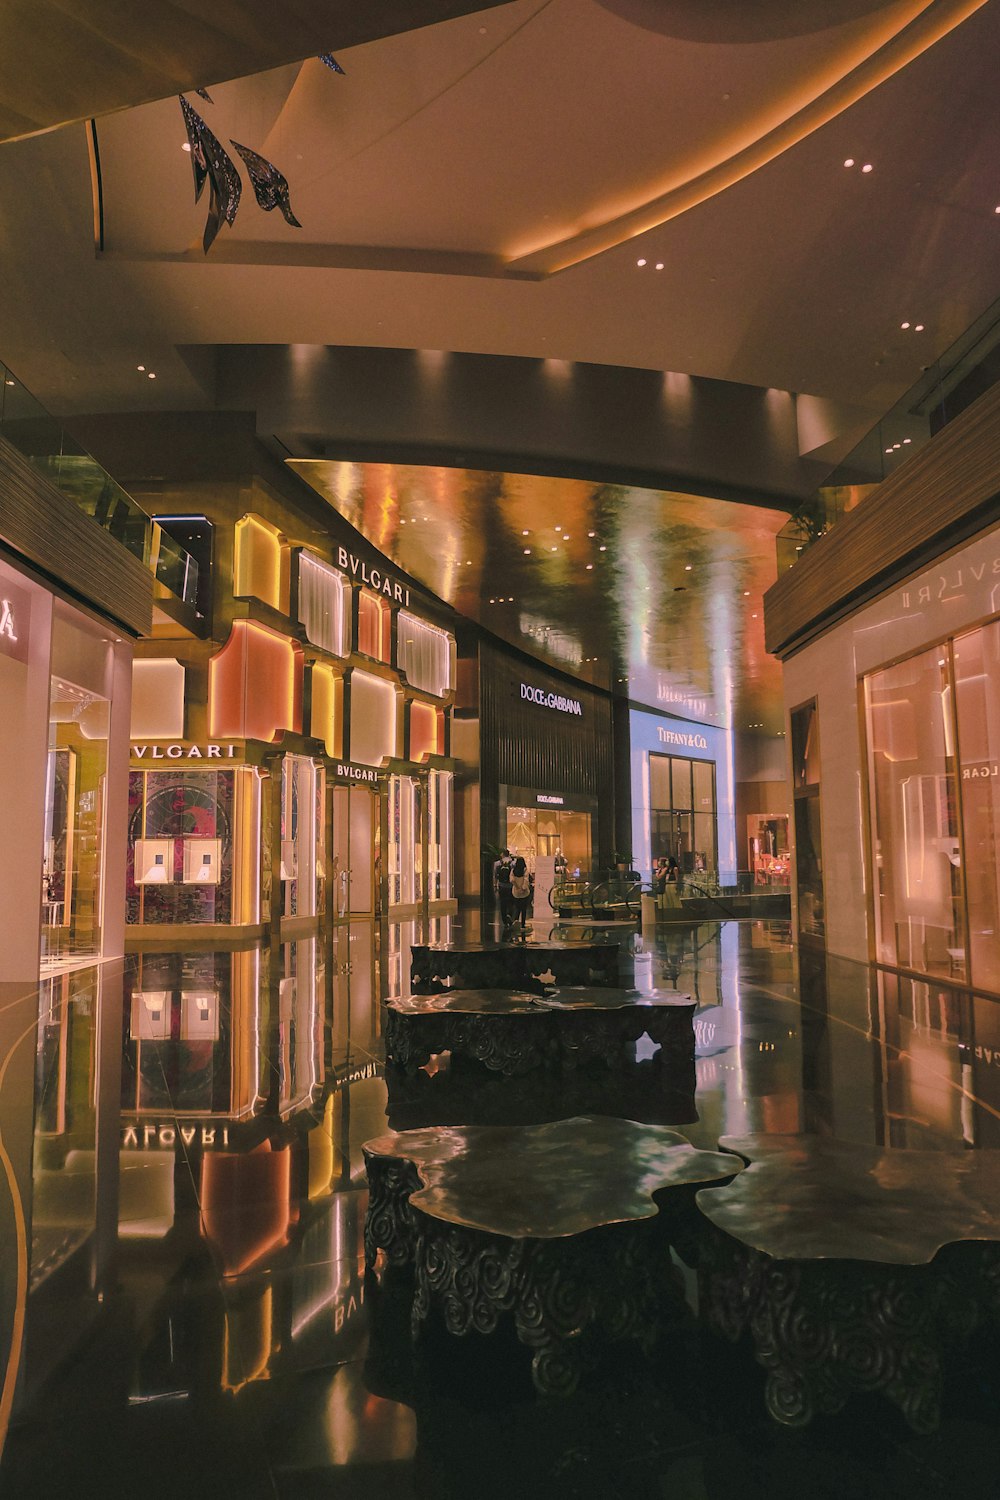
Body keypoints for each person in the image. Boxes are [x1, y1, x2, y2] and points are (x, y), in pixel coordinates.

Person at [510, 856, 533, 933]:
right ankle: (522, 924)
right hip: (524, 893)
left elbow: (512, 880)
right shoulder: (525, 870)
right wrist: (523, 888)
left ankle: (516, 921)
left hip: (516, 892)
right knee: (524, 909)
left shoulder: (513, 870)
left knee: (517, 907)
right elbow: (526, 880)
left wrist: (517, 887)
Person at [494, 849, 514, 929]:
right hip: (510, 886)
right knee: (511, 902)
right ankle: (509, 915)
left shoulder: (497, 863)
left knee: (503, 903)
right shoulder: (513, 863)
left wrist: (495, 885)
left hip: (502, 886)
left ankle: (504, 920)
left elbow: (495, 875)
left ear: (502, 854)